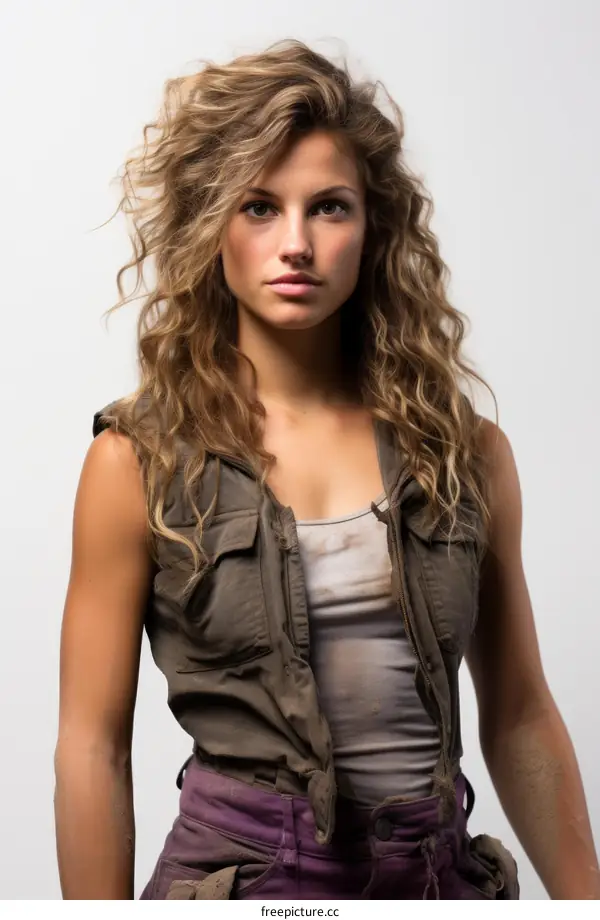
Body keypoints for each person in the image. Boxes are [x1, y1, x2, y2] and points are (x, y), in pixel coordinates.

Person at [53, 39, 599, 900]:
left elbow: (522, 713)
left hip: (437, 879)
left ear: (373, 227)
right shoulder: (136, 463)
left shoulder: (462, 454)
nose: (297, 243)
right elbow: (92, 746)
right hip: (242, 880)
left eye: (330, 208)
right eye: (261, 207)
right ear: (211, 224)